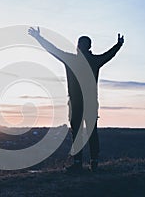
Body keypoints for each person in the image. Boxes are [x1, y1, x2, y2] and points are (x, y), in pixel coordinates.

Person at [28, 27, 124, 172]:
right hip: (90, 103)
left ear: (78, 46)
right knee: (92, 133)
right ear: (89, 46)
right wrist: (118, 45)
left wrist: (38, 37)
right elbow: (109, 55)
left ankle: (78, 163)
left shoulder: (71, 59)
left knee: (77, 133)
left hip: (75, 104)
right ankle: (93, 162)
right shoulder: (94, 61)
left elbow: (53, 50)